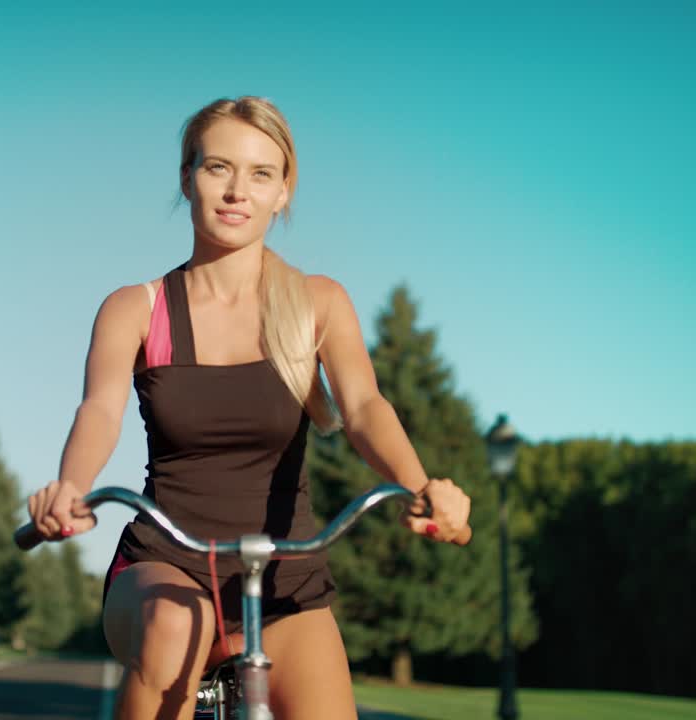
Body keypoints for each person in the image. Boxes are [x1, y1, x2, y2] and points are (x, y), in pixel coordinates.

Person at [25, 96, 472, 720]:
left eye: (261, 174)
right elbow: (99, 411)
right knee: (174, 630)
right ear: (187, 179)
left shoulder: (317, 302)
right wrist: (70, 490)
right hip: (165, 566)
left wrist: (422, 487)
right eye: (218, 169)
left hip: (285, 578)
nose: (238, 191)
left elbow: (365, 406)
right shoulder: (136, 309)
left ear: (283, 192)